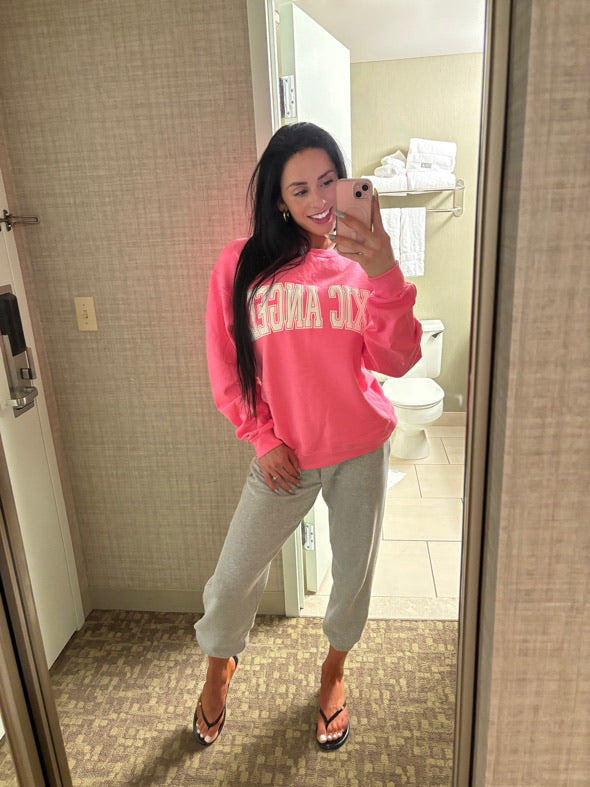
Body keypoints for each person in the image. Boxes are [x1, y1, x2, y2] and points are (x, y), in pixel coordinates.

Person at [193, 122, 422, 751]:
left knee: (352, 576)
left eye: (328, 181)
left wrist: (383, 270)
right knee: (232, 581)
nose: (320, 200)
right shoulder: (241, 265)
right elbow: (226, 363)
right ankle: (218, 669)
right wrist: (261, 437)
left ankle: (333, 671)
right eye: (301, 190)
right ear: (279, 200)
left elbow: (398, 359)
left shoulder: (362, 264)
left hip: (360, 448)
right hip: (284, 455)